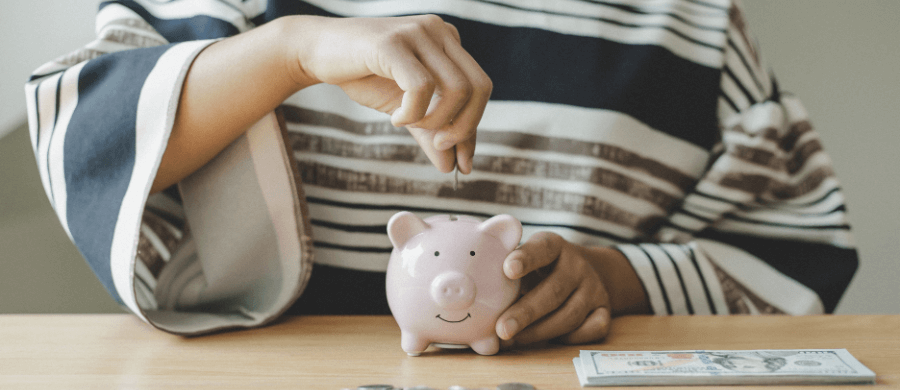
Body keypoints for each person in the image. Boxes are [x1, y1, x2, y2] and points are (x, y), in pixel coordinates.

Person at [25, 0, 858, 346]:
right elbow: (90, 138)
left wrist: (612, 278)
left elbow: (787, 247)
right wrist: (290, 52)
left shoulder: (692, 21)